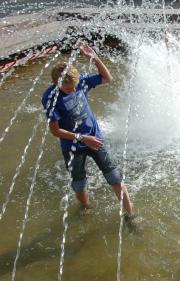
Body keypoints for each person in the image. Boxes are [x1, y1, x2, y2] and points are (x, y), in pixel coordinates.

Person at [41, 43, 138, 227]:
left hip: (96, 139)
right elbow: (55, 131)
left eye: (74, 87)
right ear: (56, 83)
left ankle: (131, 215)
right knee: (79, 181)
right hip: (73, 146)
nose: (72, 90)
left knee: (115, 177)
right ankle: (86, 207)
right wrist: (82, 138)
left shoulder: (81, 82)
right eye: (67, 89)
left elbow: (107, 78)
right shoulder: (50, 98)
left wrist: (94, 58)